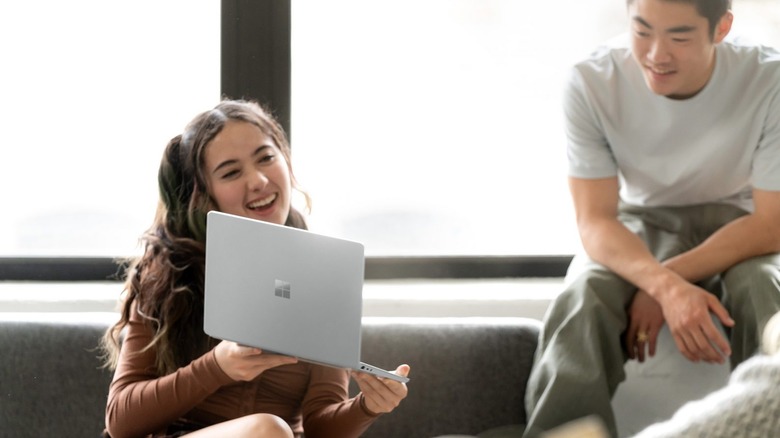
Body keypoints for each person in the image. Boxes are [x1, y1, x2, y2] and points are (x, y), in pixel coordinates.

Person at [523, 0, 780, 437]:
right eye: (642, 31)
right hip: (638, 220)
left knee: (762, 289)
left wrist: (665, 282)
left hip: (741, 221)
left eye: (679, 37)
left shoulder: (768, 78)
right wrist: (662, 285)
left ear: (721, 28)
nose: (657, 54)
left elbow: (772, 222)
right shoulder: (591, 80)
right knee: (584, 295)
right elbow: (594, 221)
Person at [99, 99, 410, 438]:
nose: (259, 180)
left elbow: (321, 426)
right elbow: (120, 421)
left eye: (266, 158)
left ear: (286, 160)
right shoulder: (166, 273)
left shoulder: (322, 275)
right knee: (268, 429)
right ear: (203, 196)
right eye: (231, 172)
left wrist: (367, 407)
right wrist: (217, 367)